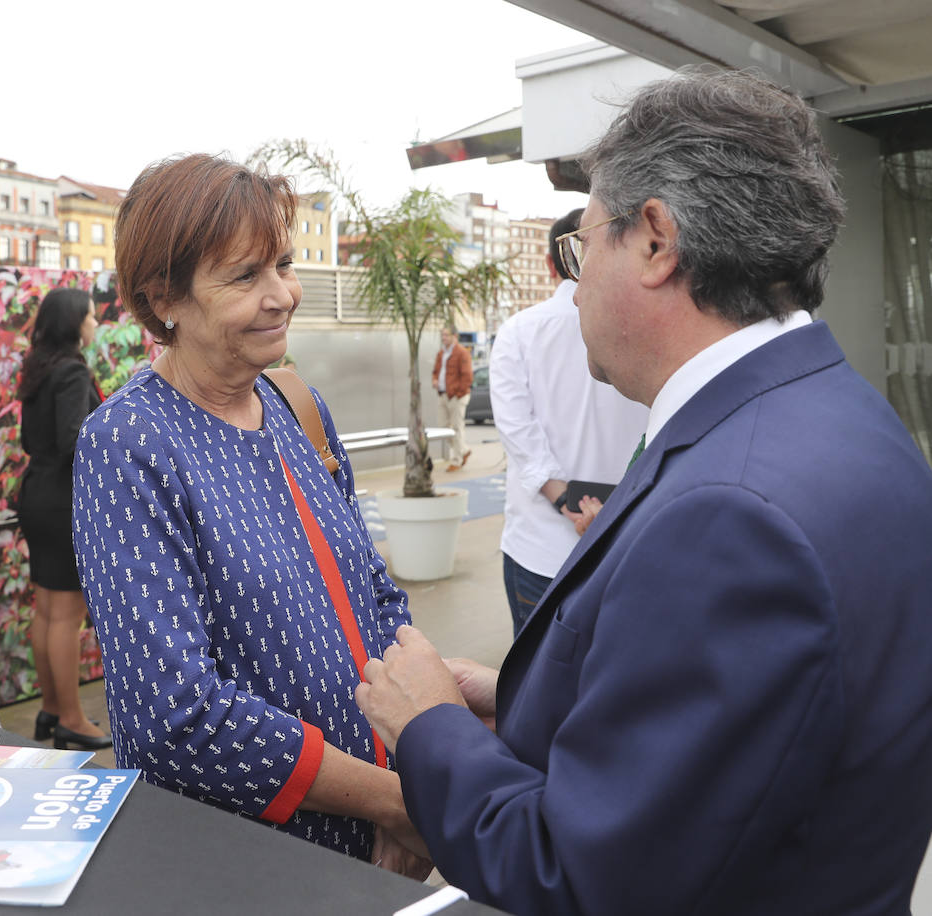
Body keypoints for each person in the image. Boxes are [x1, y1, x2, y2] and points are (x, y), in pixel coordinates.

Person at [355, 67, 932, 915]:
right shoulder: (854, 421)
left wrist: (429, 728)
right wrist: (517, 694)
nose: (577, 279)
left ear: (656, 242)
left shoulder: (730, 516)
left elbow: (585, 878)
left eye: (582, 243)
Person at [71, 153, 428, 876]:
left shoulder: (299, 406)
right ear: (163, 299)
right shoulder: (130, 444)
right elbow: (175, 717)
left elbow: (375, 599)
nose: (283, 295)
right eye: (245, 277)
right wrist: (393, 802)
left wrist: (425, 769)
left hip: (381, 845)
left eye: (284, 264)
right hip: (247, 865)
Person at [490, 208, 647, 633]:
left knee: (536, 687)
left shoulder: (519, 331)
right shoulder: (645, 326)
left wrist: (567, 502)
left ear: (549, 263)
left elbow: (517, 432)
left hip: (540, 548)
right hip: (629, 541)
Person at [15, 287, 111, 751]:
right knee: (66, 616)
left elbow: (28, 439)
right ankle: (72, 717)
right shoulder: (72, 371)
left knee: (47, 610)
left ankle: (52, 708)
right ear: (73, 324)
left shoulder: (37, 369)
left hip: (36, 492)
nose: (95, 323)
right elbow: (76, 440)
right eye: (90, 317)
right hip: (61, 501)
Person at [431, 326, 473, 470]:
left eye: (446, 335)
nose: (443, 338)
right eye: (442, 335)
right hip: (443, 394)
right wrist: (435, 380)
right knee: (443, 428)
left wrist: (457, 393)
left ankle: (457, 460)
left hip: (457, 396)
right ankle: (464, 449)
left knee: (457, 427)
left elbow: (467, 376)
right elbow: (435, 371)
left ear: (455, 336)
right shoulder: (441, 353)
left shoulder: (462, 353)